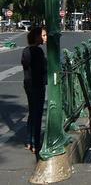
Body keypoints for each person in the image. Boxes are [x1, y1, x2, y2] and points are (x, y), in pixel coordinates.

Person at [21, 26, 47, 154]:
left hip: (28, 84)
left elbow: (26, 66)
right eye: (43, 35)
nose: (45, 38)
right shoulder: (38, 52)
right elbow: (42, 70)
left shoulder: (25, 50)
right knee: (37, 114)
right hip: (37, 85)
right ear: (37, 37)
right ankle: (36, 144)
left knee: (32, 112)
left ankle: (29, 142)